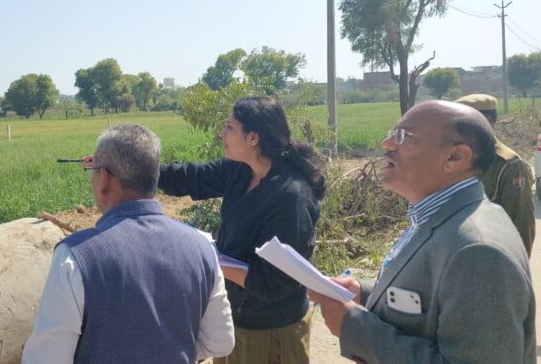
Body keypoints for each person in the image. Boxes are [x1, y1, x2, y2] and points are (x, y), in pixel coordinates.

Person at [311, 101, 535, 363]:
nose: (387, 144)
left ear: (455, 157)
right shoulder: (440, 216)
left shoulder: (479, 251)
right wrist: (368, 292)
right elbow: (435, 301)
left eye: (403, 136)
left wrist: (354, 326)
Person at [22, 124, 234, 364]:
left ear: (103, 179)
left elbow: (46, 359)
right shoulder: (202, 246)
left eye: (93, 171)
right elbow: (221, 341)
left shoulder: (74, 257)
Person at [158, 96, 326, 364]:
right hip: (236, 318)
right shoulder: (241, 170)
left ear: (253, 138)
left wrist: (213, 261)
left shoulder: (290, 197)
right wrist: (134, 168)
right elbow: (192, 178)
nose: (221, 133)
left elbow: (274, 283)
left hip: (271, 331)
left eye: (230, 127)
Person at [455, 93, 535, 255]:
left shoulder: (509, 165)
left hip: (491, 261)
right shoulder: (453, 159)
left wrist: (515, 272)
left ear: (488, 122)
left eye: (464, 123)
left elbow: (521, 224)